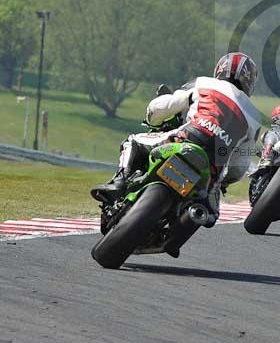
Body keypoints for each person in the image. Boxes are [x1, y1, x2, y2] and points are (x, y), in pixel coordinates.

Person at [91, 52, 263, 226]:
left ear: (219, 70)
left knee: (132, 142)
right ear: (250, 82)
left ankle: (119, 182)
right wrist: (225, 181)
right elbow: (239, 167)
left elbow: (162, 106)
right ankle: (181, 224)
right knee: (210, 214)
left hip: (185, 139)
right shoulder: (255, 118)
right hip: (213, 165)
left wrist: (152, 121)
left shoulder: (203, 83)